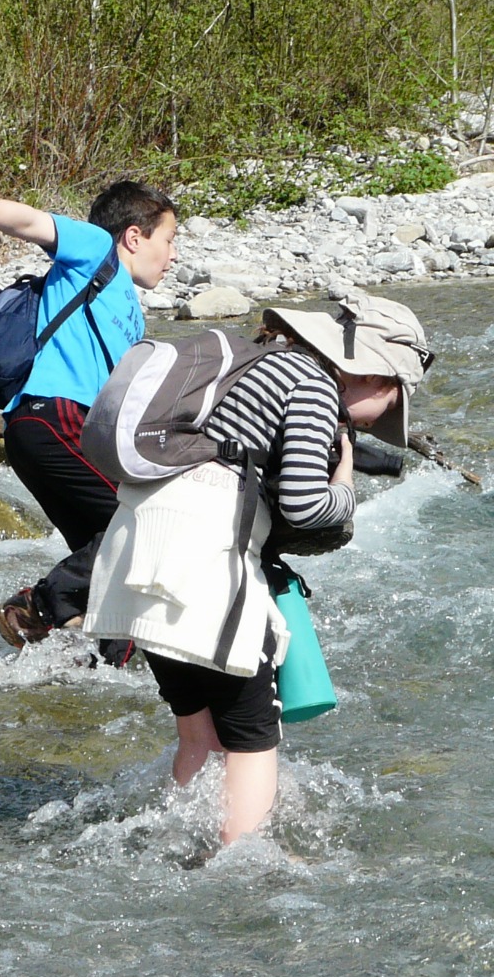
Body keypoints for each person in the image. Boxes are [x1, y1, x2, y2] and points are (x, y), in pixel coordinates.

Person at [84, 293, 430, 845]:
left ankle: (175, 842)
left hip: (139, 540)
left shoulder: (264, 361)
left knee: (199, 734)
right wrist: (345, 485)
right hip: (205, 558)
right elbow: (303, 505)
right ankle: (242, 867)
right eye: (392, 400)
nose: (381, 417)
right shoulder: (314, 386)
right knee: (252, 735)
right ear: (370, 374)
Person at [0, 174, 178, 657]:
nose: (173, 255)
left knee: (113, 563)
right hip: (53, 420)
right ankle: (36, 608)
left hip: (64, 434)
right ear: (134, 236)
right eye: (168, 240)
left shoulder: (130, 307)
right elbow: (27, 220)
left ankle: (103, 665)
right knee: (146, 524)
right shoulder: (96, 251)